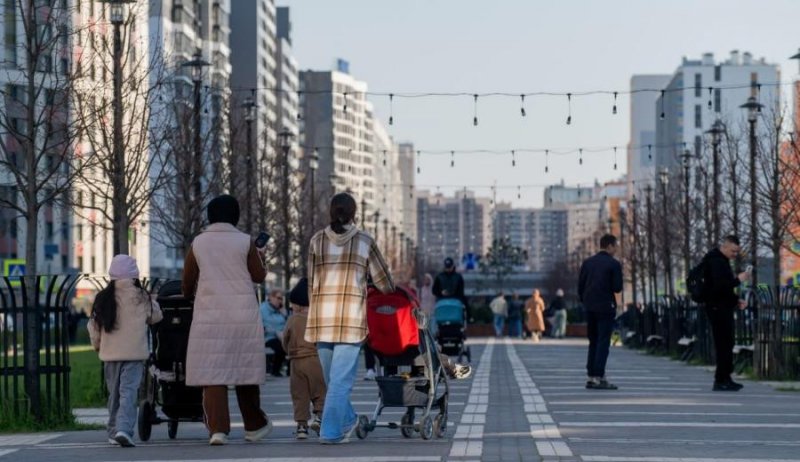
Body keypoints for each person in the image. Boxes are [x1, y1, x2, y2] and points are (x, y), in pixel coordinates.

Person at [182, 195, 273, 446]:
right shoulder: (246, 242)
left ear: (210, 215)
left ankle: (218, 430)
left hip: (209, 315)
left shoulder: (198, 243)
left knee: (213, 373)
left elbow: (187, 282)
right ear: (236, 215)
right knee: (245, 371)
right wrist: (261, 256)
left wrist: (190, 294)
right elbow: (258, 276)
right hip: (242, 314)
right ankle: (254, 426)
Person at [306, 193, 395, 444]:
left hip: (322, 319)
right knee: (339, 383)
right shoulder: (364, 241)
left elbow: (311, 283)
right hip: (350, 321)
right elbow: (385, 283)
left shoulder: (316, 240)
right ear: (354, 213)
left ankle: (348, 421)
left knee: (333, 381)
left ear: (331, 212)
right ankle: (331, 432)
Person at [88, 255, 163, 447]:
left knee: (114, 394)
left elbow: (94, 327)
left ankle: (113, 432)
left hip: (110, 355)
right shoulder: (141, 296)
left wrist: (97, 345)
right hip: (134, 354)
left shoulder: (103, 298)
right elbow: (156, 317)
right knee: (128, 393)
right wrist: (152, 301)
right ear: (134, 275)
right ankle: (123, 429)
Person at [702, 235, 750, 391]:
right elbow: (719, 287)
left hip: (721, 306)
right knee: (724, 343)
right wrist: (738, 279)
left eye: (737, 252)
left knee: (727, 343)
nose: (735, 255)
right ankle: (721, 379)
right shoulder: (716, 262)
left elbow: (724, 289)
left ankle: (725, 378)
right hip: (717, 309)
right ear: (725, 247)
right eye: (733, 251)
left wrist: (736, 300)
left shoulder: (721, 261)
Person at [282, 278, 326, 439]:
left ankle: (301, 427)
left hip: (295, 363)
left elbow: (284, 340)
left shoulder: (292, 320)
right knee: (319, 391)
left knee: (299, 394)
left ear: (298, 304)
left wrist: (289, 352)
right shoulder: (317, 319)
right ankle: (320, 418)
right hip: (315, 360)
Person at [578, 234, 623, 390]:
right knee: (604, 341)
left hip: (590, 306)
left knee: (593, 340)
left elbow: (580, 286)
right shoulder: (614, 264)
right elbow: (617, 287)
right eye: (615, 246)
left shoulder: (587, 263)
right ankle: (599, 376)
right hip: (605, 306)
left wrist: (586, 301)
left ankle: (591, 376)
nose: (616, 249)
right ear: (609, 246)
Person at [261, 289, 288, 377]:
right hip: (268, 337)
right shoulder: (263, 309)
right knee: (280, 347)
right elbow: (265, 325)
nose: (280, 301)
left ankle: (290, 372)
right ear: (271, 297)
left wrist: (285, 315)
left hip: (282, 336)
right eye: (278, 298)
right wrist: (276, 332)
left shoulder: (280, 310)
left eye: (281, 299)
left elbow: (288, 324)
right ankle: (275, 370)